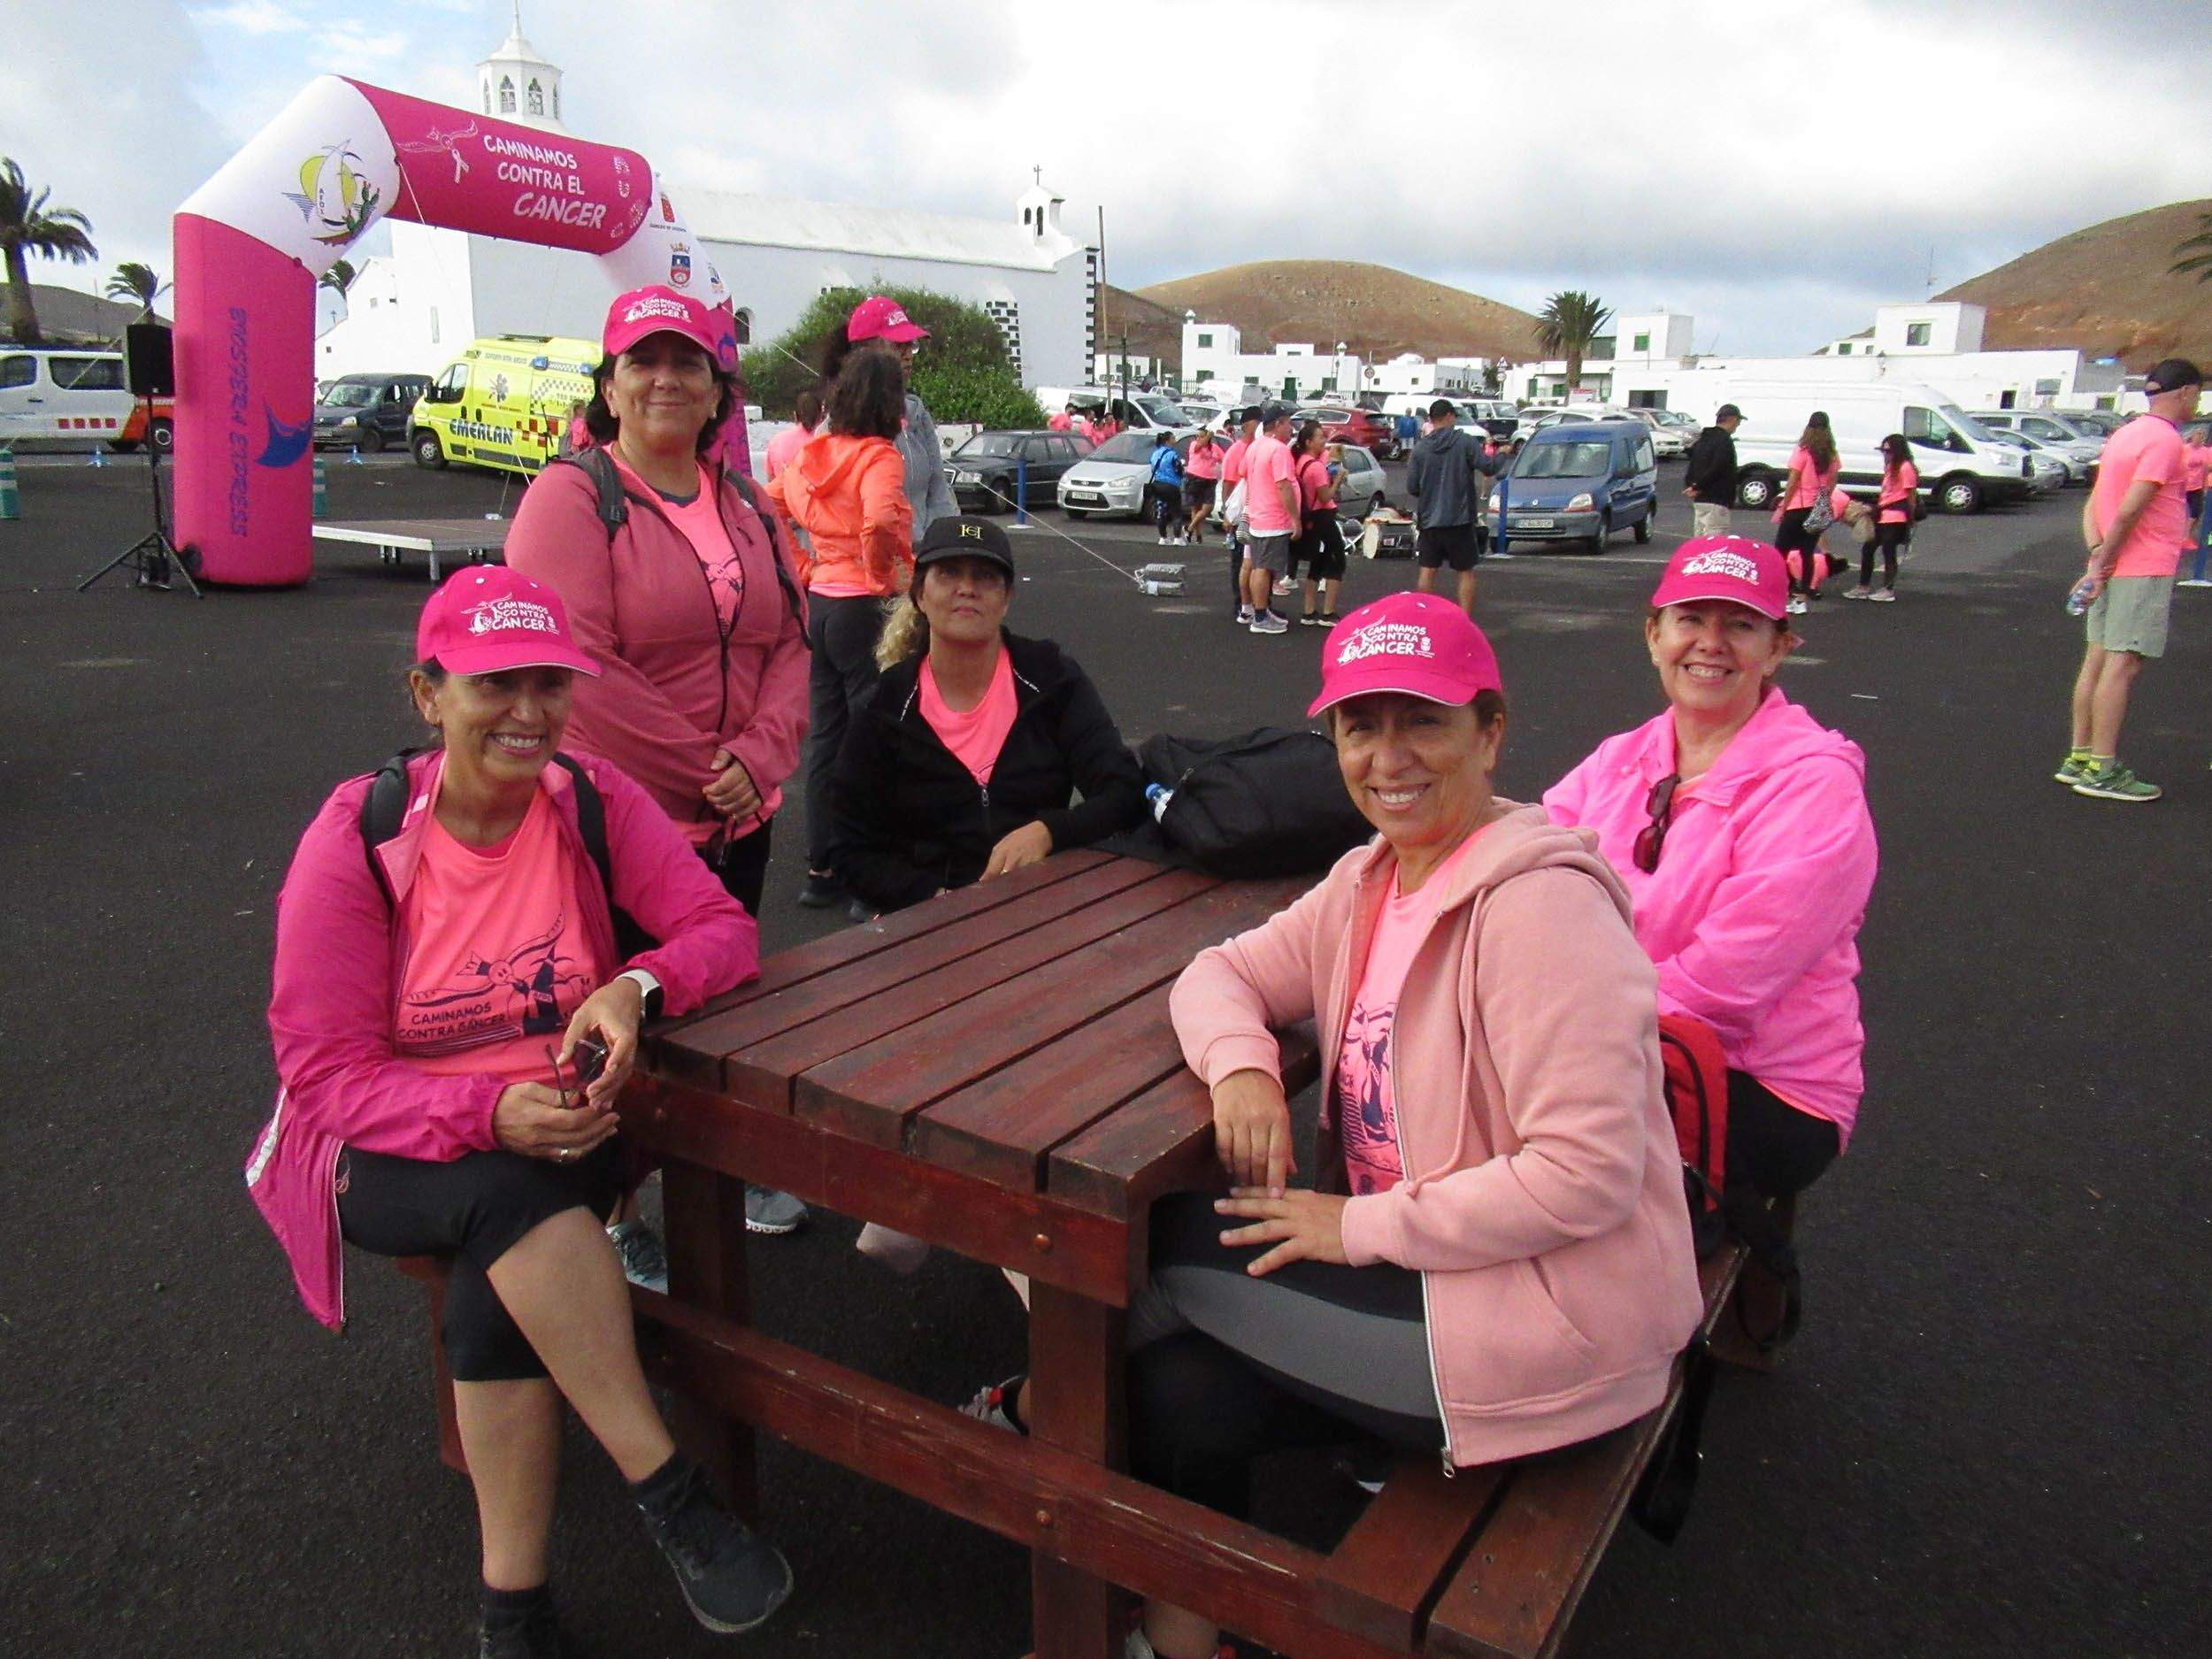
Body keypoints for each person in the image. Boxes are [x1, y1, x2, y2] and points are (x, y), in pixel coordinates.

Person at [1099, 593, 1701, 1659]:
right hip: (1432, 1280)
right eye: (1358, 725)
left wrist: (1352, 1231)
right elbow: (1221, 972)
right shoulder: (1372, 878)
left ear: (1490, 731)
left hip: (1546, 1322)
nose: (1388, 756)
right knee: (1174, 1388)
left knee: (1152, 1259)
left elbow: (1584, 1177)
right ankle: (1181, 1634)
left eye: (1422, 720)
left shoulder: (1538, 908)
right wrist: (1242, 1070)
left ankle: (1034, 1426)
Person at [250, 570, 793, 1658]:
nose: (529, 713)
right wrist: (488, 1114)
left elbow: (721, 930)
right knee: (508, 1195)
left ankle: (514, 1605)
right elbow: (323, 1072)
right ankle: (668, 1491)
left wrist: (633, 987)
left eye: (551, 684)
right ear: (428, 695)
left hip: (560, 1132)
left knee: (509, 1229)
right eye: (495, 684)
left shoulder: (591, 796)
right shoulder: (355, 835)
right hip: (386, 1146)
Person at [508, 283, 814, 1249]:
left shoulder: (749, 507)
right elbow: (574, 662)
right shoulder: (572, 496)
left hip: (738, 814)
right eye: (643, 361)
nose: (666, 379)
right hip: (625, 821)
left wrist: (757, 757)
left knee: (713, 1001)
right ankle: (610, 1209)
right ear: (610, 383)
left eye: (688, 363)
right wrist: (703, 767)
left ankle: (711, 1174)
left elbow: (793, 644)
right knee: (613, 1011)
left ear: (720, 391)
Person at [1544, 534, 1878, 1208]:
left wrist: (1564, 1024)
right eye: (1691, 619)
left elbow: (1723, 989)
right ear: (1654, 634)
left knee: (1530, 1149)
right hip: (1619, 1041)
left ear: (1780, 646)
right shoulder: (1624, 755)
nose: (1711, 642)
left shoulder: (1814, 787)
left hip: (1755, 1081)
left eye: (1741, 624)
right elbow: (1533, 871)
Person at [826, 514, 1148, 915]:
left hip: (1038, 906)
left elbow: (1123, 790)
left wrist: (1049, 831)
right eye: (948, 574)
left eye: (985, 576)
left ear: (1007, 597)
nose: (967, 589)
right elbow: (847, 846)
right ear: (920, 595)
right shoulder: (886, 707)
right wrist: (929, 898)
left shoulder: (1050, 678)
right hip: (927, 921)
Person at [764, 349, 914, 912]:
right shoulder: (881, 457)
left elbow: (766, 503)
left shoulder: (812, 454)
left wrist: (805, 569)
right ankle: (864, 872)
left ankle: (821, 868)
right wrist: (880, 576)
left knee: (827, 740)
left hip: (822, 604)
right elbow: (878, 520)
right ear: (890, 401)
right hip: (862, 607)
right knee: (875, 737)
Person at [2058, 357, 2203, 802]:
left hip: (2115, 562)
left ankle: (2080, 756)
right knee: (2123, 664)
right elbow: (2129, 508)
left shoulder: (2126, 434)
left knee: (2098, 660)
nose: (2197, 401)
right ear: (2184, 393)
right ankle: (2102, 769)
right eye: (2196, 393)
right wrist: (2103, 563)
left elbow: (2095, 502)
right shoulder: (2163, 442)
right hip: (2141, 567)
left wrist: (2096, 556)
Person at [818, 294, 953, 538]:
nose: (908, 354)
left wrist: (945, 548)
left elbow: (939, 491)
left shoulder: (916, 413)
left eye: (910, 345)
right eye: (897, 345)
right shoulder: (834, 429)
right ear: (864, 352)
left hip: (922, 559)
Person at [1406, 398, 1486, 615]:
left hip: (1430, 519)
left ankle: (1423, 617)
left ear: (1431, 420)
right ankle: (1464, 620)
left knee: (1428, 570)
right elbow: (1487, 466)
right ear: (1450, 416)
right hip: (1459, 519)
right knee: (1465, 571)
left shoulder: (1421, 448)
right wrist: (1503, 454)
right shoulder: (1465, 442)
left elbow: (1412, 487)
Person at [1240, 402, 1301, 634]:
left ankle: (1262, 612)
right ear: (1278, 424)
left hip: (1258, 516)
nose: (1291, 429)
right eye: (1288, 424)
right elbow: (1283, 485)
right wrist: (1295, 519)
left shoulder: (1255, 447)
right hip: (1272, 518)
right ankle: (1260, 617)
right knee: (1263, 568)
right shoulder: (1278, 449)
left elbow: (1243, 473)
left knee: (1260, 566)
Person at [1772, 414, 1839, 615]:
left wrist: (1784, 506)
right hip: (1817, 507)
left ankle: (1788, 591)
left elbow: (1793, 481)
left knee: (1780, 552)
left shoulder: (1802, 452)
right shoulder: (1832, 455)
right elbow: (1833, 482)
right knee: (1807, 552)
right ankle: (1802, 598)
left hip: (1797, 505)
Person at [1847, 434, 1916, 602]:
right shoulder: (1891, 467)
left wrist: (1910, 520)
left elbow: (1911, 496)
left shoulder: (1905, 467)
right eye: (1883, 451)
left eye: (1888, 451)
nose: (1885, 454)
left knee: (1888, 552)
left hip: (1896, 516)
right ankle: (1863, 586)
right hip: (1883, 514)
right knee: (1868, 548)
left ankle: (1888, 589)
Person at [1292, 425, 1348, 627]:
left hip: (1311, 518)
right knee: (1336, 560)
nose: (1324, 441)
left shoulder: (1301, 463)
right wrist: (1338, 479)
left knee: (1317, 562)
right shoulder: (1315, 467)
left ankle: (1309, 611)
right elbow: (1325, 497)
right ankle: (1328, 612)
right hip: (1323, 516)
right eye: (1320, 438)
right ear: (1308, 442)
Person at [1219, 407, 1259, 622]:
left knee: (1257, 562)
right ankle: (1241, 604)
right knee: (1240, 561)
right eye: (1257, 422)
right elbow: (1228, 483)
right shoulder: (1237, 450)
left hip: (1258, 513)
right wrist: (1227, 514)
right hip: (1239, 514)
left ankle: (1260, 603)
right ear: (1245, 426)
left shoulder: (1260, 447)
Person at [1683, 403, 1743, 537]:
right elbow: (1718, 466)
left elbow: (1694, 463)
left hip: (1700, 500)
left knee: (1700, 542)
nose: (1737, 425)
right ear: (1732, 419)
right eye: (1738, 422)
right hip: (1717, 499)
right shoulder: (1725, 441)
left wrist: (1692, 485)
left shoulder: (1704, 438)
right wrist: (1699, 485)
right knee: (1715, 543)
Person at [761, 385, 822, 486]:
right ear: (820, 416)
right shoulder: (826, 443)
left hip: (783, 497)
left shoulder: (777, 441)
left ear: (795, 415)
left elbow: (771, 478)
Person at [1181, 424, 1222, 547]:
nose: (1198, 438)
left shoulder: (1214, 448)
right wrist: (1207, 436)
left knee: (1207, 507)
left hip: (1210, 479)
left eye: (1201, 436)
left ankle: (1190, 528)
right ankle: (1198, 535)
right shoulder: (1195, 444)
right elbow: (1200, 445)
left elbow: (1223, 458)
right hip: (1195, 477)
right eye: (1197, 436)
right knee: (1196, 508)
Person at [1146, 429, 1187, 546]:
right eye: (1173, 438)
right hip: (1172, 486)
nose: (1175, 441)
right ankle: (1178, 538)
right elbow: (1178, 469)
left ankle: (1163, 537)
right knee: (1176, 511)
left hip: (1158, 485)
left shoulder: (1155, 454)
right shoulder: (1172, 455)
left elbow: (1152, 468)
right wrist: (1182, 476)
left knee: (1161, 510)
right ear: (1168, 441)